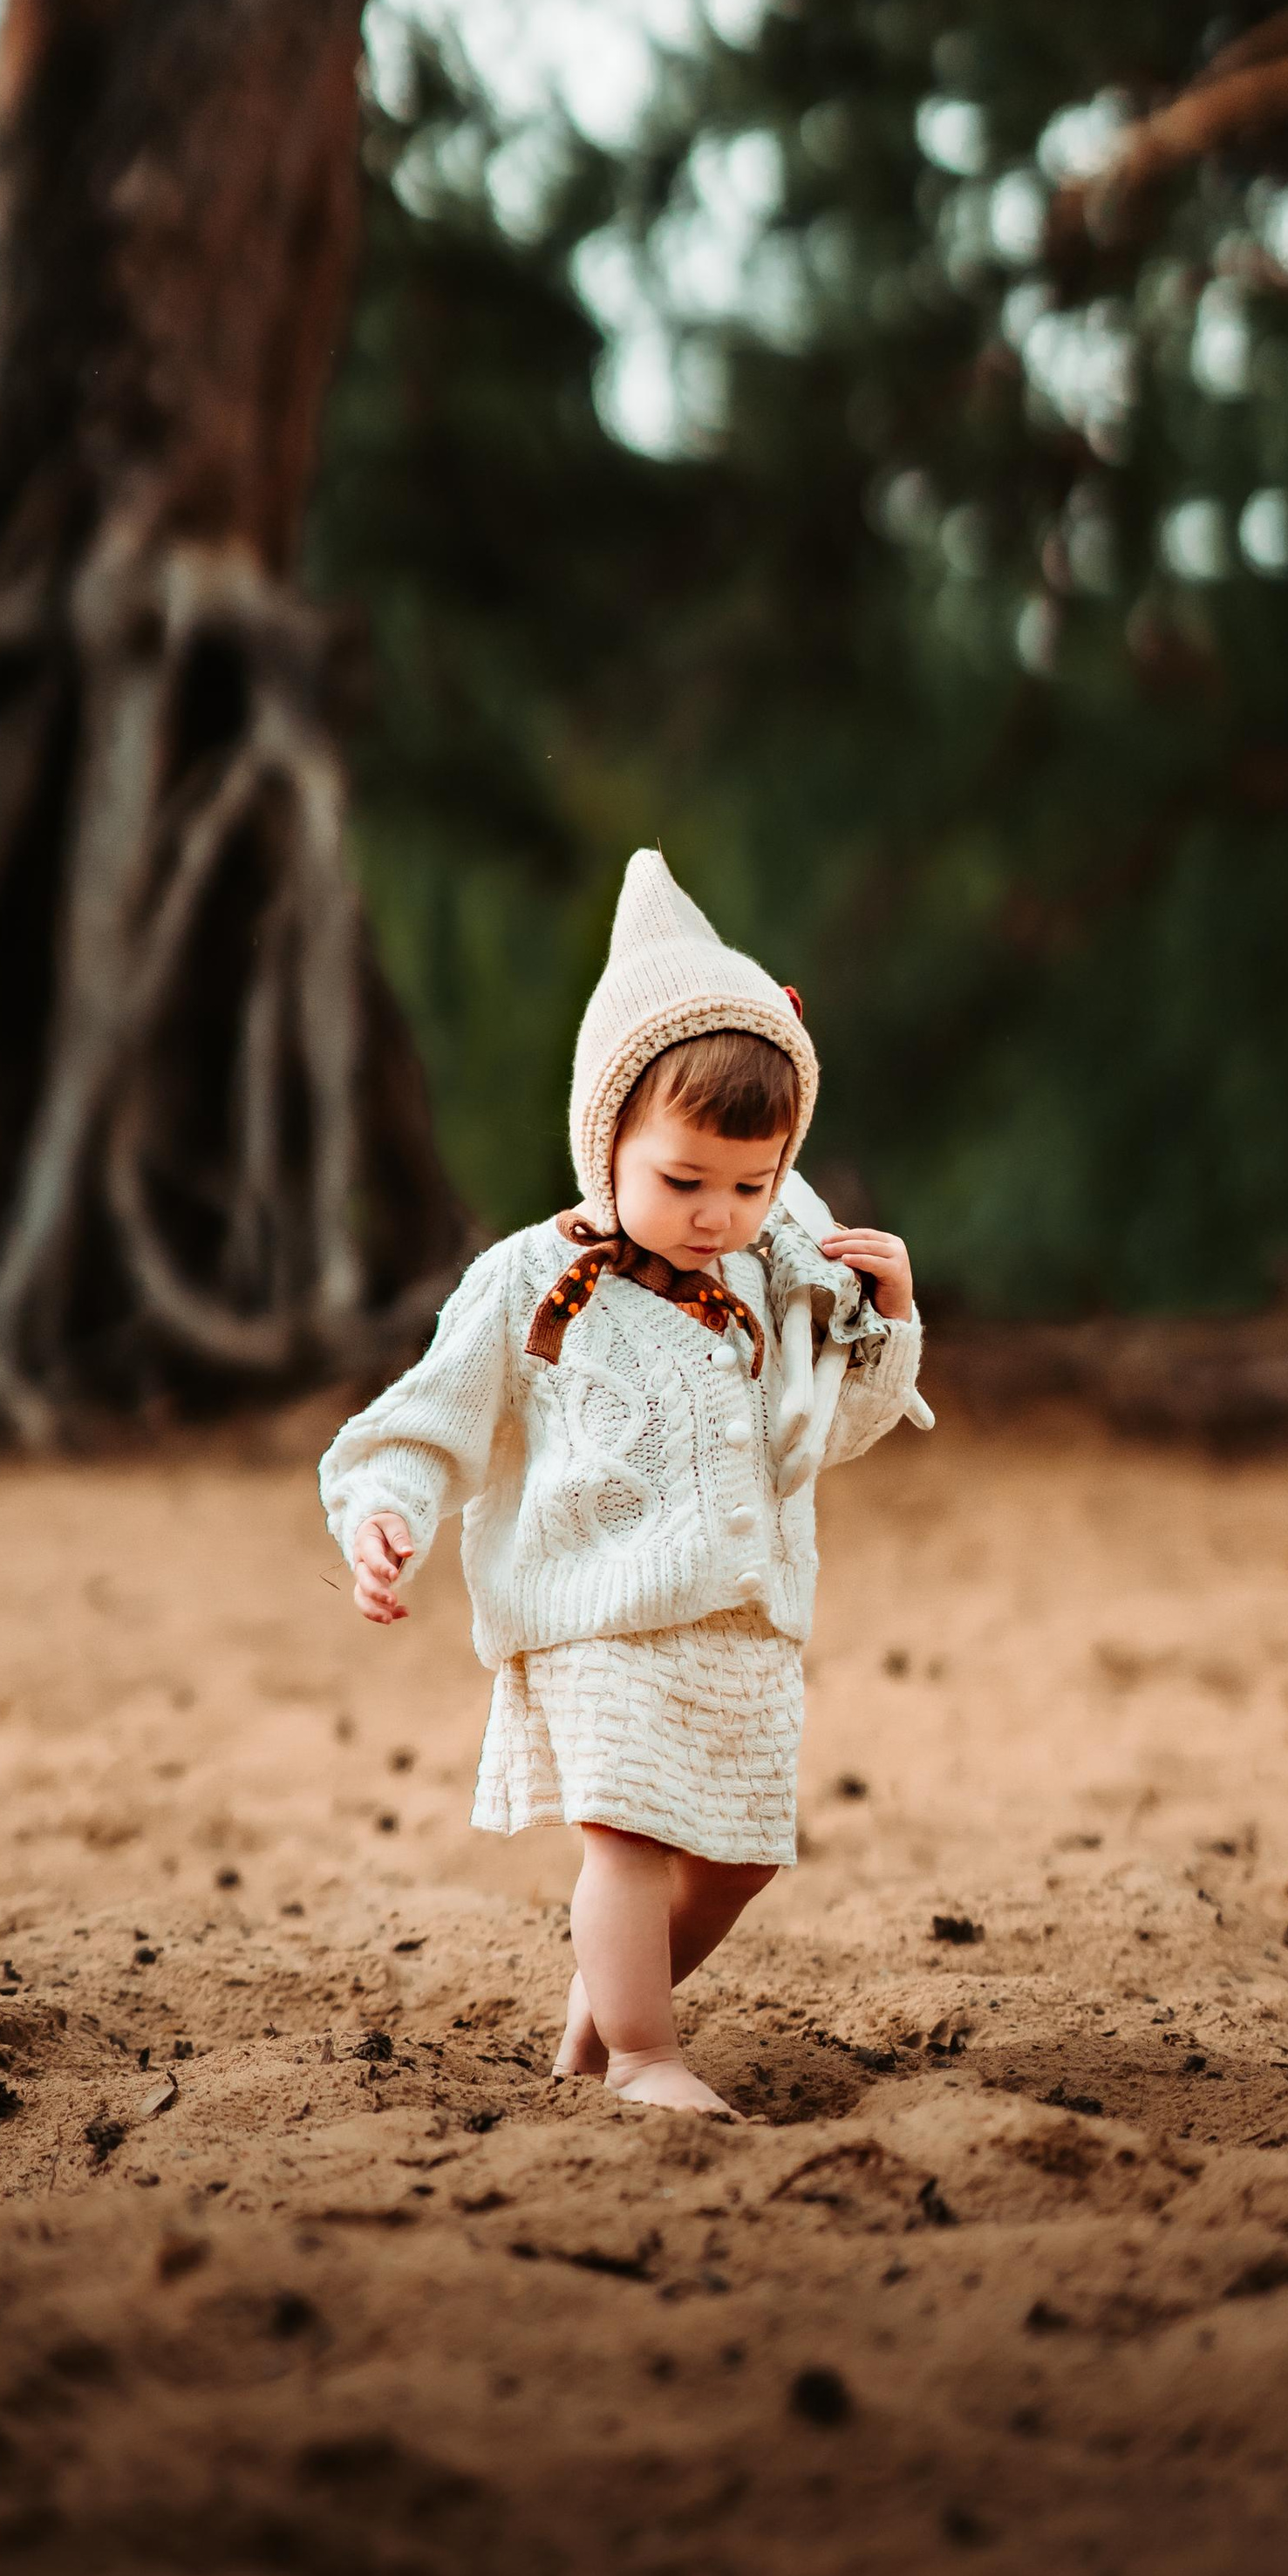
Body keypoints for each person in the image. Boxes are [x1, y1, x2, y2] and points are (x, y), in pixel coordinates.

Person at [320, 849, 930, 2118]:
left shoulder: (779, 1275)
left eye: (752, 1186)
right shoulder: (534, 1280)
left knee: (745, 1854)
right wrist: (389, 1512)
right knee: (632, 1837)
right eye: (683, 1181)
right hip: (596, 1611)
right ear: (608, 1145)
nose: (719, 1215)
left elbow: (833, 1429)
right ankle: (647, 2054)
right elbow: (429, 1415)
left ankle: (594, 2037)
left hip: (742, 1619)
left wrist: (886, 1318)